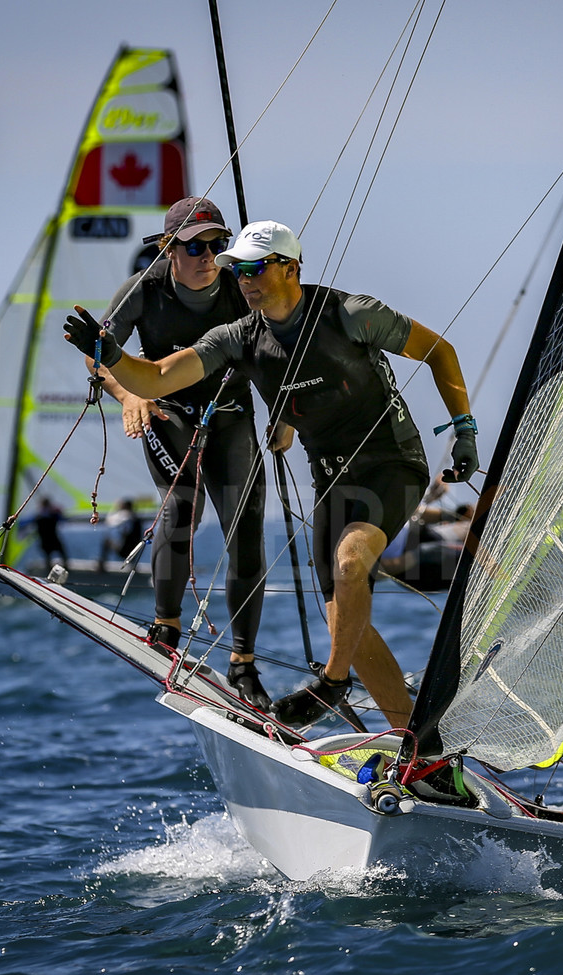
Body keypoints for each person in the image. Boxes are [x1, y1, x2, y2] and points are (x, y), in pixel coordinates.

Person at [68, 220, 477, 730]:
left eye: (256, 267)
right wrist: (111, 357)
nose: (244, 279)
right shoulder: (238, 337)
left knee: (350, 565)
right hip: (331, 478)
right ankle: (418, 745)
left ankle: (331, 685)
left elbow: (439, 350)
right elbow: (157, 377)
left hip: (391, 462)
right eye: (237, 270)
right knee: (346, 622)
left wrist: (464, 429)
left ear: (292, 268)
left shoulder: (351, 314)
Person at [63, 197, 271, 711]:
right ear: (167, 249)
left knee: (245, 527)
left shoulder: (240, 290)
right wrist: (130, 394)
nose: (208, 256)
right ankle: (167, 625)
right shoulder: (143, 290)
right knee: (182, 507)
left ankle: (243, 663)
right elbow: (99, 355)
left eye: (218, 245)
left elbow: (278, 351)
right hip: (166, 410)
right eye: (195, 246)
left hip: (230, 413)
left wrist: (286, 417)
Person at [98, 498, 145, 569]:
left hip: (125, 551)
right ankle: (132, 564)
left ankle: (101, 565)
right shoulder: (136, 518)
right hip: (135, 551)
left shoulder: (125, 516)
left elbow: (109, 521)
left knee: (107, 541)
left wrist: (114, 509)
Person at [35, 497, 68, 571]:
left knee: (59, 555)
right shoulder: (44, 515)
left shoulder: (50, 514)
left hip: (50, 539)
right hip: (48, 540)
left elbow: (62, 518)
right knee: (58, 555)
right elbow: (63, 518)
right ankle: (63, 567)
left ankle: (63, 567)